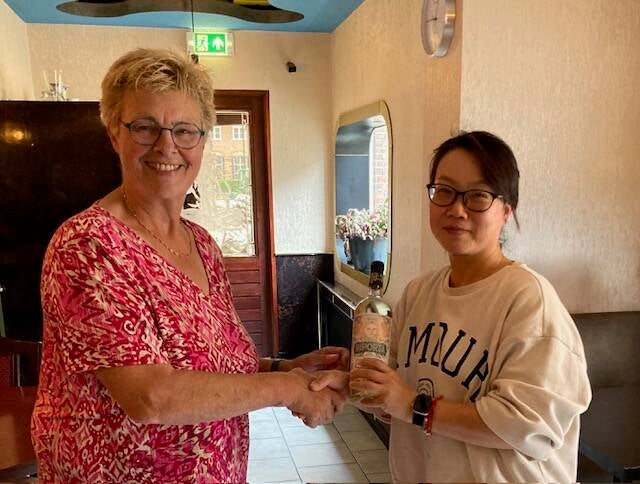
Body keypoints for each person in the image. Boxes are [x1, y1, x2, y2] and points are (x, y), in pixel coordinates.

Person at [31, 48, 348, 483]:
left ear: (201, 141)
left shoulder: (202, 244)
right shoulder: (89, 245)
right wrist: (286, 390)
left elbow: (211, 366)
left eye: (184, 130)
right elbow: (151, 396)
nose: (167, 146)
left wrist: (285, 368)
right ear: (114, 134)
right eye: (145, 127)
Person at [315, 131, 592, 482]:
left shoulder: (529, 301)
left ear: (507, 210)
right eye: (444, 191)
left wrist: (413, 407)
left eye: (477, 196)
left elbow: (528, 425)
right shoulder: (419, 293)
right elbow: (395, 392)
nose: (457, 209)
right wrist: (354, 383)